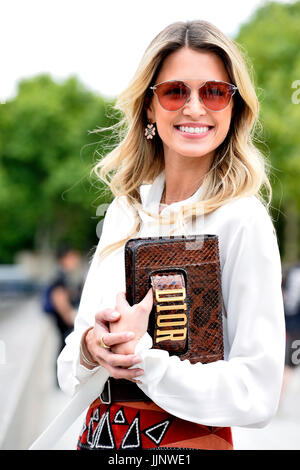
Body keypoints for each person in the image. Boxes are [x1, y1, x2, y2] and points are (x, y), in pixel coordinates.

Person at [57, 20, 286, 451]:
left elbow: (257, 393)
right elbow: (68, 365)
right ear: (149, 107)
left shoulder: (242, 220)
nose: (195, 108)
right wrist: (93, 346)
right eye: (175, 91)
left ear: (233, 108)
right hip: (101, 439)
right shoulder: (126, 211)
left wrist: (143, 362)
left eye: (214, 92)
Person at [43, 244, 83, 356]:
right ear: (65, 258)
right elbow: (59, 298)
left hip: (64, 324)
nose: (76, 260)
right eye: (73, 257)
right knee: (64, 349)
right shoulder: (60, 277)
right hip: (64, 324)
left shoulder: (64, 276)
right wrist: (71, 318)